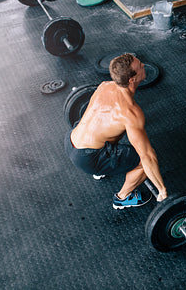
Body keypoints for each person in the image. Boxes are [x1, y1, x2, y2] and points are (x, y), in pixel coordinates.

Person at [64, 53, 168, 209]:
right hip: (88, 158)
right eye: (140, 66)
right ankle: (122, 197)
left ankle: (100, 170)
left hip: (70, 140)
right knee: (143, 162)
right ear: (132, 79)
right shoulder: (130, 113)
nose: (144, 66)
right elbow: (147, 156)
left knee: (110, 129)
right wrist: (162, 191)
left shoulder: (104, 85)